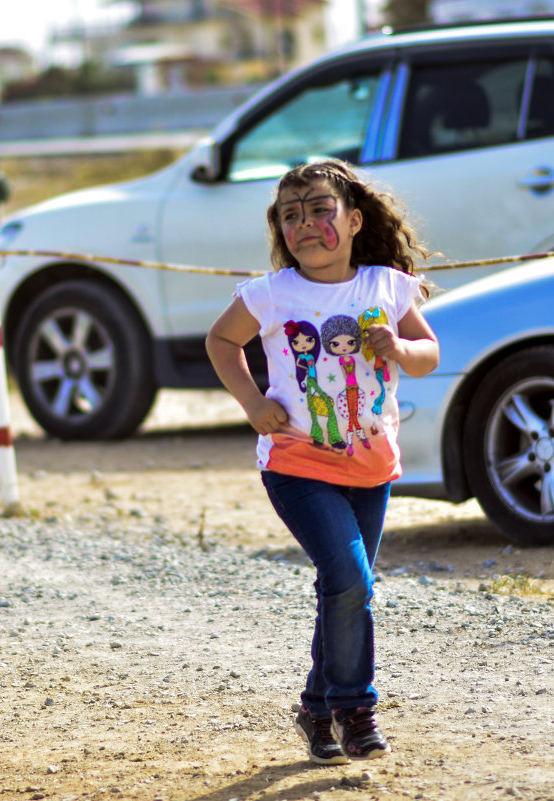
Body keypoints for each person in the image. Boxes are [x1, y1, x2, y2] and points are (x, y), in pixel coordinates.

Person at [205, 161, 439, 764]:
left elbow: (429, 354)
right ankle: (356, 712)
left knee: (343, 588)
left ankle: (315, 707)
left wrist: (402, 346)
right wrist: (254, 402)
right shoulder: (271, 293)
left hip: (371, 467)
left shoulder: (387, 286)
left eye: (318, 209)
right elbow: (220, 342)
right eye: (290, 215)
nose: (304, 224)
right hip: (295, 465)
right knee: (351, 581)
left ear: (354, 220)